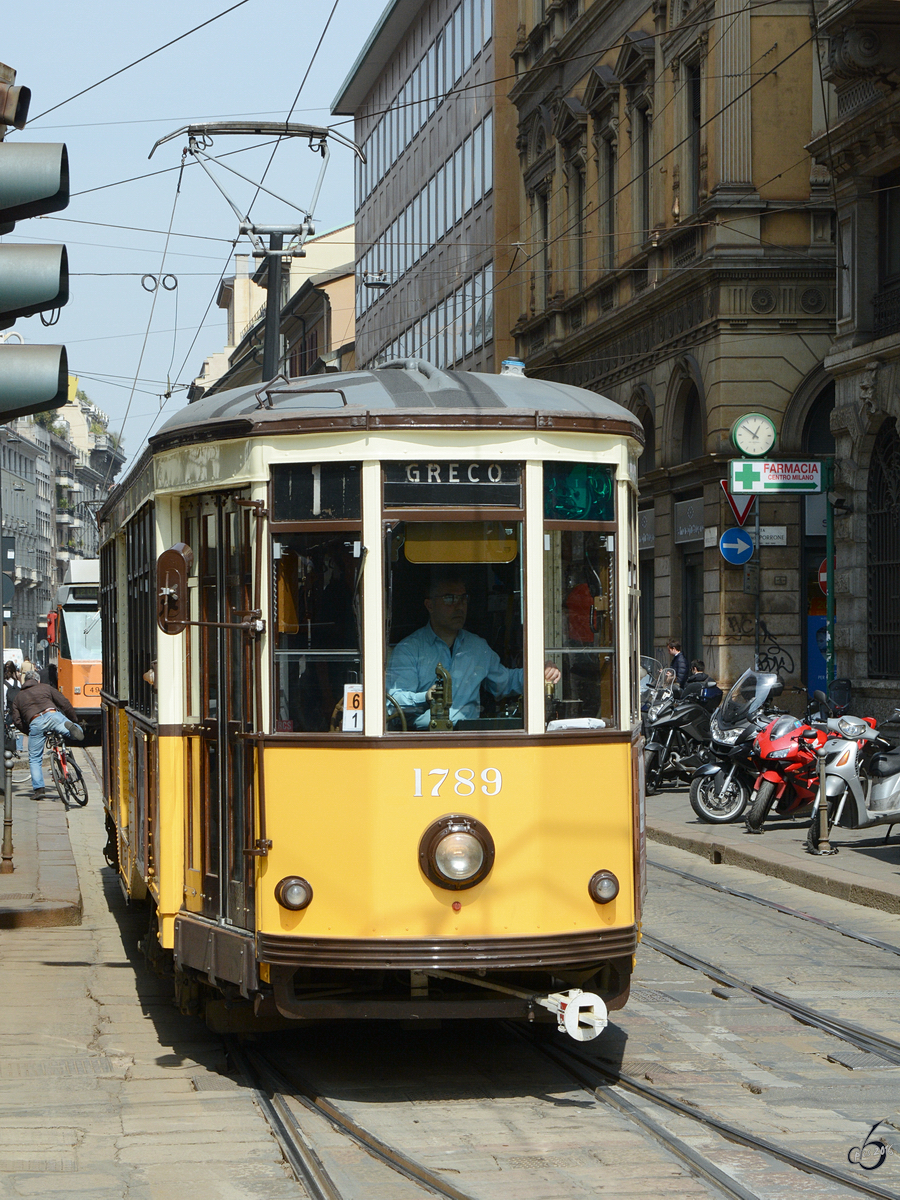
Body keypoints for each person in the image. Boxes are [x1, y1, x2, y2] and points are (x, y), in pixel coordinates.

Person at [387, 575, 561, 729]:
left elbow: (504, 682)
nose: (459, 606)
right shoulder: (409, 649)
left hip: (469, 739)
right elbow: (391, 703)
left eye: (463, 598)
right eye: (449, 598)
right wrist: (425, 697)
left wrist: (540, 674)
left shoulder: (477, 647)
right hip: (420, 741)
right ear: (430, 605)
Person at [9, 671, 83, 800]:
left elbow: (17, 720)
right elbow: (64, 703)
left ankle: (39, 789)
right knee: (74, 730)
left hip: (35, 721)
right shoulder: (45, 687)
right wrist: (74, 719)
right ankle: (74, 731)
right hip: (53, 715)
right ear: (37, 680)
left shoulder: (18, 697)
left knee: (35, 758)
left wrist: (28, 732)